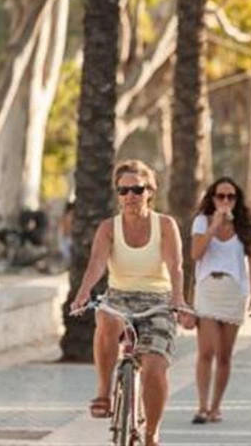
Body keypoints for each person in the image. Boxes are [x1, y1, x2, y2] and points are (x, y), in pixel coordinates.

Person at [70, 160, 190, 446]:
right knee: (105, 317)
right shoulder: (108, 228)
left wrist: (178, 298)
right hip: (120, 296)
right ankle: (104, 392)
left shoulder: (165, 225)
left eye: (137, 189)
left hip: (157, 300)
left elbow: (175, 266)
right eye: (123, 191)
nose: (130, 196)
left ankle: (151, 433)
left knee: (154, 368)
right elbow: (97, 263)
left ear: (150, 191)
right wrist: (83, 292)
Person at [187, 177, 251, 424]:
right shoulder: (202, 221)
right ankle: (201, 406)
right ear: (213, 198)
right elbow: (196, 254)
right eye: (221, 196)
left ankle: (216, 406)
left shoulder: (245, 225)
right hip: (208, 289)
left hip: (234, 292)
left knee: (224, 355)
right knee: (206, 351)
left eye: (231, 197)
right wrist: (214, 226)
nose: (226, 201)